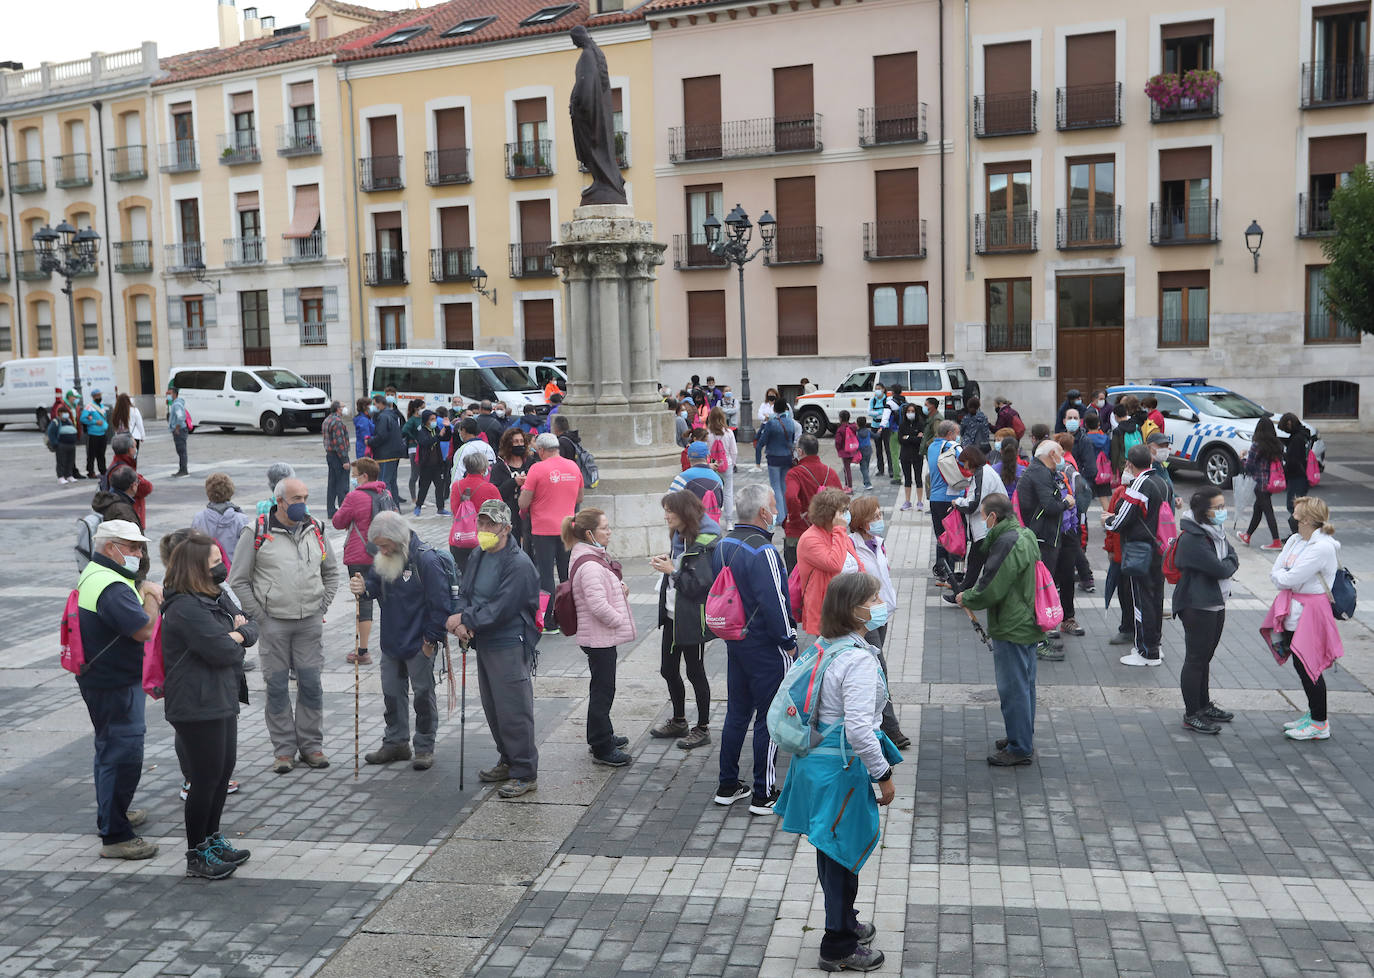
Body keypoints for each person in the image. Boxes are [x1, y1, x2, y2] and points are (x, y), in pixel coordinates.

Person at [774, 572, 898, 973]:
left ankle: (844, 921)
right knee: (841, 854)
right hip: (841, 769)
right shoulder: (859, 659)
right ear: (855, 610)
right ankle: (838, 945)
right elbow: (860, 729)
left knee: (831, 852)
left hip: (816, 764)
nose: (880, 602)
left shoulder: (827, 646)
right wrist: (883, 773)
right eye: (873, 597)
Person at [159, 531, 256, 879]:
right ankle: (196, 853)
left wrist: (237, 633)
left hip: (221, 694)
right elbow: (223, 650)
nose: (221, 567)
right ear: (196, 567)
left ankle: (212, 838)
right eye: (215, 562)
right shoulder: (184, 607)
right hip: (196, 703)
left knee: (222, 772)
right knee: (205, 778)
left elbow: (251, 624)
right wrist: (236, 635)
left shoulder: (212, 595)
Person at [227, 477, 340, 773]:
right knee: (277, 687)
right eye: (296, 498)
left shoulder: (315, 527)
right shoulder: (257, 531)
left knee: (312, 685)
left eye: (305, 496)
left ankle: (312, 746)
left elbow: (331, 572)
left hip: (309, 623)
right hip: (273, 624)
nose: (302, 502)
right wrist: (260, 617)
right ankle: (284, 751)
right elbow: (238, 578)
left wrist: (323, 605)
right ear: (280, 502)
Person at [74, 519, 163, 860]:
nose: (139, 554)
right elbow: (143, 628)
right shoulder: (110, 585)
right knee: (122, 754)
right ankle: (115, 835)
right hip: (114, 682)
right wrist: (152, 596)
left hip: (103, 678)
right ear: (111, 548)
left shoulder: (98, 573)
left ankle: (114, 812)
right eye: (133, 548)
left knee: (108, 749)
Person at [447, 499, 542, 798]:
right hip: (484, 639)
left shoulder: (519, 564)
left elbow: (501, 608)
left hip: (509, 642)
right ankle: (507, 758)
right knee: (493, 706)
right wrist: (462, 620)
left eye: (491, 524)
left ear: (506, 528)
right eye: (481, 523)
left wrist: (464, 619)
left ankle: (525, 771)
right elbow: (466, 592)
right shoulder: (478, 553)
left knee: (514, 709)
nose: (485, 529)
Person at [711, 483, 796, 813]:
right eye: (774, 505)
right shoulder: (765, 551)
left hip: (736, 639)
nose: (777, 510)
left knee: (737, 712)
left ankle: (728, 784)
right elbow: (775, 601)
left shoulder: (724, 544)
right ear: (763, 512)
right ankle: (764, 793)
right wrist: (788, 641)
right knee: (770, 718)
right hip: (765, 645)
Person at [349, 512, 451, 771]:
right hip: (392, 640)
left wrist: (431, 640)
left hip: (419, 641)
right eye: (378, 546)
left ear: (398, 539)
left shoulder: (426, 560)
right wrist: (364, 589)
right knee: (392, 694)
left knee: (423, 696)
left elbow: (440, 605)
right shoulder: (385, 556)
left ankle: (424, 746)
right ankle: (396, 741)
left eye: (384, 545)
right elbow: (374, 583)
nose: (380, 550)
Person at [957, 494, 1042, 767]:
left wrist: (967, 597)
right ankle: (1021, 735)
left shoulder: (1007, 542)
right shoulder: (1024, 533)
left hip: (1013, 623)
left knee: (1014, 688)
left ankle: (1020, 747)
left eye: (984, 517)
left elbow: (991, 586)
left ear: (993, 517)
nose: (983, 522)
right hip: (1027, 617)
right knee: (1025, 684)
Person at [1265, 496, 1343, 742]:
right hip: (1293, 608)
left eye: (1297, 515)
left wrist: (1284, 576)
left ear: (1309, 519)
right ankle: (1314, 713)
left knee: (1309, 665)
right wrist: (1283, 576)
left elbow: (1286, 578)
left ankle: (1320, 723)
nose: (1293, 518)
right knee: (1300, 664)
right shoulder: (1297, 540)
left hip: (1311, 613)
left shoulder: (1322, 547)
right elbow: (1276, 572)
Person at [649, 490, 720, 751]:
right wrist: (668, 564)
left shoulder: (705, 539)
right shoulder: (681, 536)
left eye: (670, 511)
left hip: (691, 618)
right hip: (672, 615)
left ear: (685, 513)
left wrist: (672, 571)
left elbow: (698, 584)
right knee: (668, 669)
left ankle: (702, 728)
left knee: (694, 671)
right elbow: (682, 569)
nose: (666, 516)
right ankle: (679, 720)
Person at [564, 509, 635, 767]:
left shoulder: (588, 555)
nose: (610, 531)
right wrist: (619, 620)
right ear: (589, 533)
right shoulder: (591, 564)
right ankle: (602, 746)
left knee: (601, 687)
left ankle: (601, 735)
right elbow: (597, 604)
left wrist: (618, 588)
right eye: (605, 528)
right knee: (603, 691)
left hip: (596, 635)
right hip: (598, 637)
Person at [1172, 488, 1239, 735]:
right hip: (1197, 604)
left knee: (1205, 658)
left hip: (1216, 601)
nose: (1222, 511)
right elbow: (1221, 568)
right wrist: (1228, 565)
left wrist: (1228, 564)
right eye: (1218, 507)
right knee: (1195, 659)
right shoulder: (1193, 538)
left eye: (1223, 506)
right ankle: (1192, 714)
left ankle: (1204, 705)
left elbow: (1231, 557)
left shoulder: (1214, 532)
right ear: (1203, 511)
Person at [847, 494, 910, 748]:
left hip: (881, 613)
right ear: (861, 522)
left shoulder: (878, 542)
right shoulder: (851, 545)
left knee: (873, 670)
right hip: (864, 616)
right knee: (879, 670)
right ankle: (891, 728)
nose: (879, 520)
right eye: (874, 517)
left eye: (880, 515)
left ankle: (872, 721)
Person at [1103, 444, 1168, 667]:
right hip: (1158, 549)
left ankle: (1145, 651)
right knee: (1155, 599)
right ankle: (1155, 646)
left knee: (1141, 600)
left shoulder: (1140, 484)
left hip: (1141, 550)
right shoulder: (1160, 480)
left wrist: (1108, 521)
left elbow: (1122, 520)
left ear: (1130, 464)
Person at [1016, 440, 1076, 661]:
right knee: (1037, 590)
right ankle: (1037, 640)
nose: (1062, 457)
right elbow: (1049, 506)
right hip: (1042, 538)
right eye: (1060, 453)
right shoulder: (1040, 473)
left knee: (1039, 588)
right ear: (1052, 453)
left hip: (1044, 536)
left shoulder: (1039, 471)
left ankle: (1038, 637)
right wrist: (1066, 502)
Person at [332, 456, 395, 665]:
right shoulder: (386, 493)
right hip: (385, 554)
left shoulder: (354, 497)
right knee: (389, 600)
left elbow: (338, 522)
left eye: (355, 476)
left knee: (364, 602)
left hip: (360, 556)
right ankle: (392, 643)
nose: (353, 480)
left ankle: (363, 650)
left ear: (365, 476)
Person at [520, 432, 584, 634]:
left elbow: (524, 502)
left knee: (546, 574)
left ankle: (549, 620)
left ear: (540, 450)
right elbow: (579, 497)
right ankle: (569, 616)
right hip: (568, 527)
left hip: (543, 528)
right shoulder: (573, 467)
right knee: (566, 573)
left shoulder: (537, 469)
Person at [795, 488, 861, 649]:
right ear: (829, 514)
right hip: (830, 612)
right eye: (842, 511)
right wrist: (839, 530)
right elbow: (834, 564)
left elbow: (858, 564)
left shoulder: (837, 533)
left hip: (853, 607)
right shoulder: (811, 539)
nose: (846, 514)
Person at [946, 446, 1008, 607]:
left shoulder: (983, 474)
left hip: (986, 528)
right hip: (988, 526)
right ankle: (964, 594)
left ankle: (963, 595)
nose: (964, 466)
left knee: (976, 563)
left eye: (964, 462)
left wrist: (958, 502)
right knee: (980, 563)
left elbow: (974, 503)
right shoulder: (983, 472)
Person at [784, 434, 843, 575]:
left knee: (795, 579)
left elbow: (791, 497)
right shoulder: (831, 473)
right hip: (826, 533)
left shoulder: (795, 473)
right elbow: (841, 501)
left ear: (800, 451)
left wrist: (795, 517)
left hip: (799, 532)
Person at [91, 466, 151, 581]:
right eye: (137, 482)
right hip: (126, 570)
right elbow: (133, 542)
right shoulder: (123, 510)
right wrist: (142, 569)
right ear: (133, 486)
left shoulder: (109, 502)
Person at [449, 452, 503, 575]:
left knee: (463, 574)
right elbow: (501, 514)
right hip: (482, 539)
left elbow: (454, 510)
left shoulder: (456, 486)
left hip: (459, 537)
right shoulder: (490, 489)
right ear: (483, 468)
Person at [1240, 416, 1285, 550]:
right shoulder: (1277, 445)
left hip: (1260, 483)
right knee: (1258, 509)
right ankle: (1247, 535)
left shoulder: (1256, 445)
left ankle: (1276, 541)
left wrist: (1242, 458)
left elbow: (1249, 466)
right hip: (1271, 482)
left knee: (1267, 511)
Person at [926, 419, 961, 581]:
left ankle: (941, 569)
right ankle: (953, 571)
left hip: (935, 498)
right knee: (954, 535)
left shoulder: (932, 447)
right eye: (956, 434)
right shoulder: (951, 447)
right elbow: (968, 461)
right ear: (949, 434)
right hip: (951, 497)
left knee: (940, 535)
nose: (957, 437)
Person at [192, 473, 251, 567]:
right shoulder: (241, 519)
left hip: (207, 570)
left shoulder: (199, 518)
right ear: (230, 491)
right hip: (234, 571)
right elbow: (248, 551)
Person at [757, 401, 798, 525]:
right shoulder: (791, 423)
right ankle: (787, 513)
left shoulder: (771, 423)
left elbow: (763, 440)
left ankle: (780, 517)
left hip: (774, 457)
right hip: (787, 457)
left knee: (776, 487)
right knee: (784, 486)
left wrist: (758, 453)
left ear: (774, 410)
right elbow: (791, 440)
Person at [493, 427, 533, 548]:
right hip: (509, 514)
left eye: (521, 441)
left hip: (528, 514)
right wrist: (514, 482)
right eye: (515, 441)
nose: (519, 444)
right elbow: (496, 493)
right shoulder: (499, 467)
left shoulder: (530, 463)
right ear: (508, 444)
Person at [104, 434, 152, 527]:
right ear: (129, 449)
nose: (136, 449)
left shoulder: (117, 465)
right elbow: (146, 487)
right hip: (129, 516)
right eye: (134, 446)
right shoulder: (123, 470)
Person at [367, 394, 407, 506]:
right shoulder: (392, 415)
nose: (373, 407)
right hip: (393, 453)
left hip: (385, 454)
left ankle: (389, 507)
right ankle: (395, 507)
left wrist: (369, 441)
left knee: (385, 482)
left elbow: (381, 435)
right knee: (392, 482)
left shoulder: (383, 417)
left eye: (374, 404)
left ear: (380, 404)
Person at [672, 441, 726, 521]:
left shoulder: (682, 478)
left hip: (688, 527)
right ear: (707, 457)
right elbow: (720, 506)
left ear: (687, 457)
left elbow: (669, 503)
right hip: (711, 527)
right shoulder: (718, 479)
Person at [411, 410, 450, 517]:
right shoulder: (422, 431)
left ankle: (440, 508)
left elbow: (446, 438)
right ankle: (418, 506)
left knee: (440, 486)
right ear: (426, 420)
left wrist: (447, 428)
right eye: (431, 419)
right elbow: (425, 442)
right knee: (424, 486)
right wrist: (438, 436)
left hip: (437, 464)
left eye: (435, 419)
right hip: (426, 464)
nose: (434, 421)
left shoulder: (436, 429)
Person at [1278, 412, 1311, 535]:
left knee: (1294, 507)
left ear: (1289, 423)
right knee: (1298, 507)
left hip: (1297, 476)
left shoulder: (1297, 439)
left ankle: (1298, 534)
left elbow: (1294, 460)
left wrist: (1283, 456)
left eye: (1285, 428)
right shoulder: (1303, 435)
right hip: (1302, 475)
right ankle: (1298, 534)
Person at [706, 407, 738, 524]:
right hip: (727, 464)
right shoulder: (729, 432)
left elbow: (706, 450)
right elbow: (734, 451)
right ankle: (729, 521)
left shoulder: (708, 433)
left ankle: (715, 519)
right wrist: (733, 463)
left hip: (712, 466)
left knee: (713, 493)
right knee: (728, 492)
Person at [318, 401, 350, 518]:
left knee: (332, 483)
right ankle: (343, 510)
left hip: (330, 455)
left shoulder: (327, 420)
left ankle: (331, 510)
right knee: (342, 484)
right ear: (338, 409)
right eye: (343, 406)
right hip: (338, 456)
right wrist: (345, 460)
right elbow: (340, 442)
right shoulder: (337, 422)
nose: (344, 408)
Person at [896, 401, 925, 512]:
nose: (910, 413)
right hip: (905, 456)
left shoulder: (920, 424)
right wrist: (913, 437)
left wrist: (908, 437)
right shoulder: (902, 425)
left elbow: (920, 440)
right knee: (907, 479)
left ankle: (920, 502)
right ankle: (907, 501)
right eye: (908, 411)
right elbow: (900, 439)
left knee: (918, 478)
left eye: (912, 411)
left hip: (917, 456)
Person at [80, 389, 110, 479]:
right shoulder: (89, 407)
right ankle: (90, 471)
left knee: (101, 454)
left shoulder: (102, 406)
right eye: (97, 396)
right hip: (93, 434)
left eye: (100, 395)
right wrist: (95, 422)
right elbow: (83, 419)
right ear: (93, 397)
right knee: (91, 454)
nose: (99, 397)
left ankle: (103, 470)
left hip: (102, 434)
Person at [47, 404, 80, 483]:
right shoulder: (56, 422)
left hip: (71, 445)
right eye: (63, 413)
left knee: (71, 461)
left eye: (66, 413)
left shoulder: (69, 421)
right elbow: (51, 433)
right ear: (59, 414)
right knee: (61, 461)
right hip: (61, 445)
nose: (66, 414)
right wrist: (56, 444)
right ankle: (61, 476)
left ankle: (69, 475)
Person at [167, 384, 190, 477]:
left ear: (175, 394)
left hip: (179, 430)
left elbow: (180, 417)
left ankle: (183, 470)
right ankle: (182, 469)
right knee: (181, 451)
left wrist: (177, 428)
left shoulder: (176, 405)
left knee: (181, 450)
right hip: (180, 429)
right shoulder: (175, 404)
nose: (168, 396)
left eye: (170, 393)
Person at [868, 383, 891, 478]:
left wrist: (876, 413)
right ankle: (880, 469)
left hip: (886, 427)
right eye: (876, 388)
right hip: (874, 426)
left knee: (888, 449)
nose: (877, 390)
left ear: (883, 389)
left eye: (879, 388)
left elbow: (887, 413)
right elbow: (869, 412)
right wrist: (880, 413)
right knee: (878, 450)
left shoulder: (888, 400)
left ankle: (891, 470)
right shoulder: (872, 400)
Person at [855, 417, 875, 491]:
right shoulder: (868, 431)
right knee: (866, 466)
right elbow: (876, 436)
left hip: (861, 452)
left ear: (858, 424)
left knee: (863, 468)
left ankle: (867, 483)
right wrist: (880, 431)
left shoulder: (857, 433)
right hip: (869, 450)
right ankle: (865, 481)